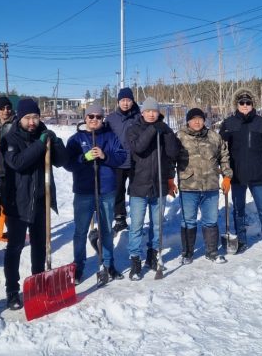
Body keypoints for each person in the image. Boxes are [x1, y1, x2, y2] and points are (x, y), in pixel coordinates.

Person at [1, 98, 68, 310]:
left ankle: (38, 284)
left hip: (40, 201)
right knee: (15, 247)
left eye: (35, 117)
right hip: (18, 204)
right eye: (28, 118)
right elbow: (18, 163)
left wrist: (55, 142)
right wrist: (41, 143)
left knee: (39, 246)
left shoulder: (44, 134)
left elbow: (61, 161)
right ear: (20, 118)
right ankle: (12, 291)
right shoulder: (10, 138)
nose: (32, 122)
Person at [64, 102, 127, 283]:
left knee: (107, 230)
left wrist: (105, 156)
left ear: (102, 119)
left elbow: (122, 156)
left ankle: (109, 264)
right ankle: (78, 267)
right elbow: (68, 164)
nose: (94, 120)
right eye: (91, 116)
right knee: (80, 231)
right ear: (85, 118)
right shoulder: (76, 139)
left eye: (98, 117)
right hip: (84, 191)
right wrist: (84, 158)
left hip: (106, 190)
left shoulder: (110, 137)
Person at [219, 89, 262, 257]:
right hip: (237, 174)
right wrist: (223, 172)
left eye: (248, 103)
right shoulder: (229, 123)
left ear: (253, 104)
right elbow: (221, 150)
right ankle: (242, 242)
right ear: (237, 104)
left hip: (258, 173)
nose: (245, 106)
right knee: (238, 211)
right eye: (241, 103)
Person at [125, 97, 179, 280]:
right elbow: (138, 148)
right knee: (137, 226)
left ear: (158, 113)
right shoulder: (133, 129)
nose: (151, 114)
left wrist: (167, 134)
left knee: (157, 226)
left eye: (154, 111)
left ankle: (153, 255)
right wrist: (151, 130)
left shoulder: (164, 129)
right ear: (142, 113)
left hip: (159, 186)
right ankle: (135, 261)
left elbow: (173, 153)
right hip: (139, 187)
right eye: (147, 111)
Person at [176, 107, 233, 263]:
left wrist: (227, 176)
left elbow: (224, 157)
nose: (197, 121)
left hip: (211, 186)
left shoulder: (214, 137)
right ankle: (187, 253)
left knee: (210, 220)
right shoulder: (179, 137)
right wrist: (168, 179)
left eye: (200, 118)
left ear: (204, 120)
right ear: (188, 121)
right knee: (188, 220)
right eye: (193, 119)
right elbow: (170, 158)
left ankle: (212, 252)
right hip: (188, 186)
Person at [105, 87, 140, 234]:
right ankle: (120, 219)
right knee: (118, 190)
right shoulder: (111, 118)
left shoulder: (139, 117)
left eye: (129, 100)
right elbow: (103, 136)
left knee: (136, 191)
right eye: (123, 100)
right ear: (118, 101)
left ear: (132, 101)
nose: (126, 103)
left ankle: (137, 219)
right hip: (117, 161)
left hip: (135, 160)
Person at [0, 96, 16, 238]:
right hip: (2, 169)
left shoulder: (17, 123)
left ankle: (15, 230)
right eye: (2, 108)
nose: (6, 111)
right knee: (5, 201)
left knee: (15, 202)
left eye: (8, 107)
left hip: (16, 168)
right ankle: (8, 229)